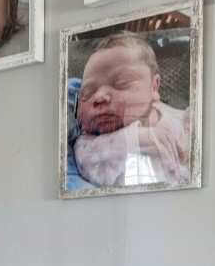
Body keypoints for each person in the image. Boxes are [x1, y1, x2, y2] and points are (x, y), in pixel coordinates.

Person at [68, 33, 190, 189]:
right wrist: (131, 140)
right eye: (87, 93)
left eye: (121, 84)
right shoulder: (88, 143)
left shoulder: (183, 122)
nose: (98, 97)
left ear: (154, 87)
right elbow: (87, 161)